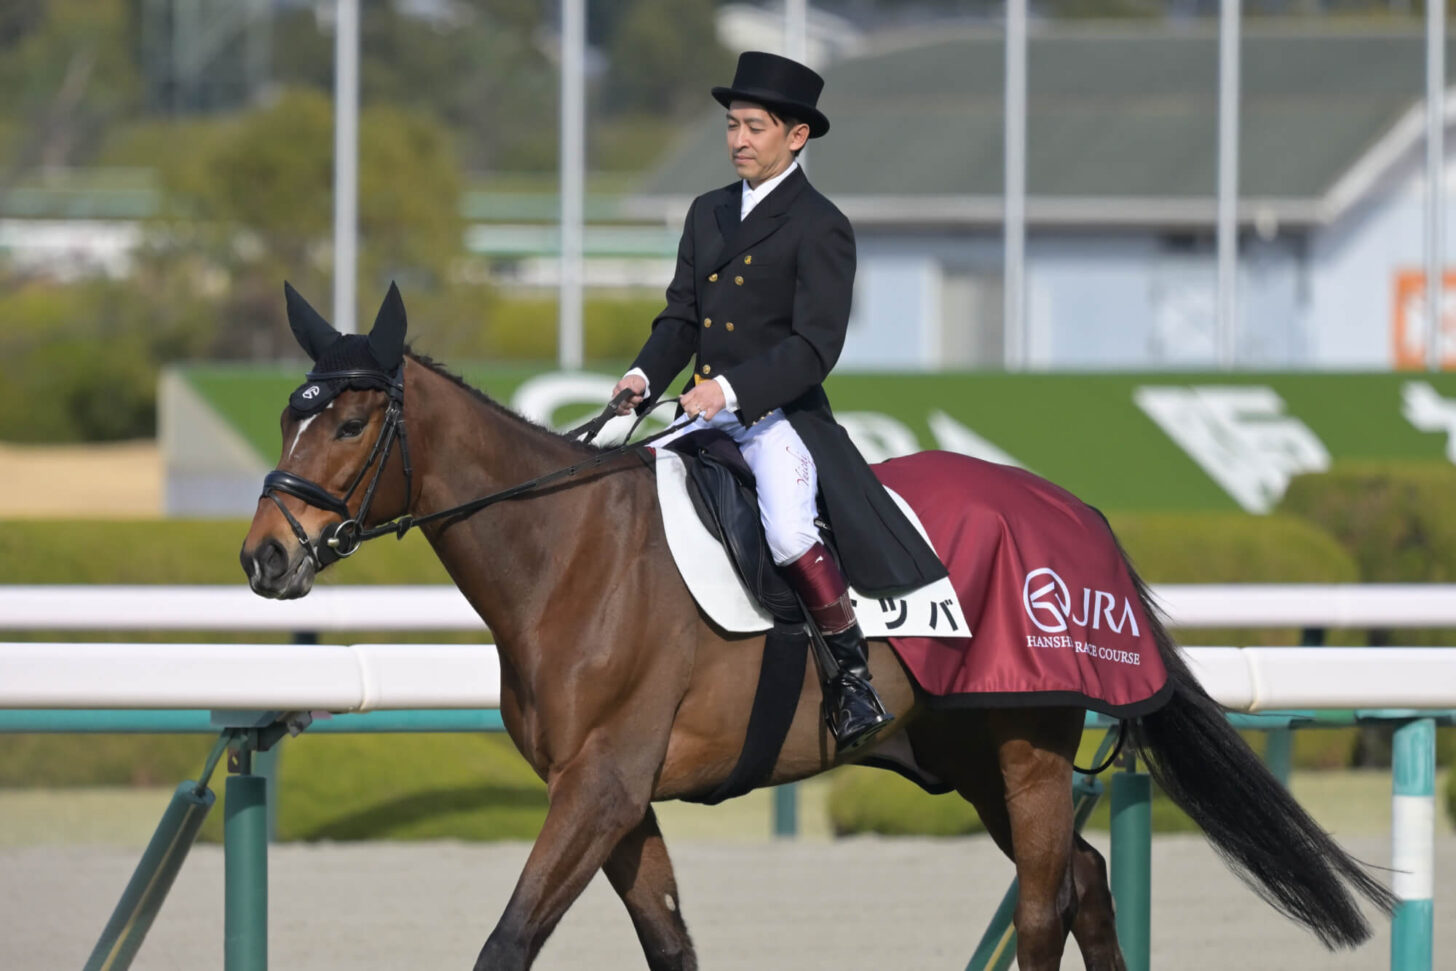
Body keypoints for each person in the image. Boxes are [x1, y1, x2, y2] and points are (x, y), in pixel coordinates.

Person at [612, 51, 946, 754]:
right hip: (699, 411)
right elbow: (681, 319)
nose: (737, 139)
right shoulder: (707, 212)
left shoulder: (821, 225)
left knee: (792, 533)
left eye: (754, 127)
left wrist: (730, 389)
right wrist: (642, 377)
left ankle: (853, 676)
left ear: (795, 137)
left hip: (776, 415)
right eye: (732, 125)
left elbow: (815, 346)